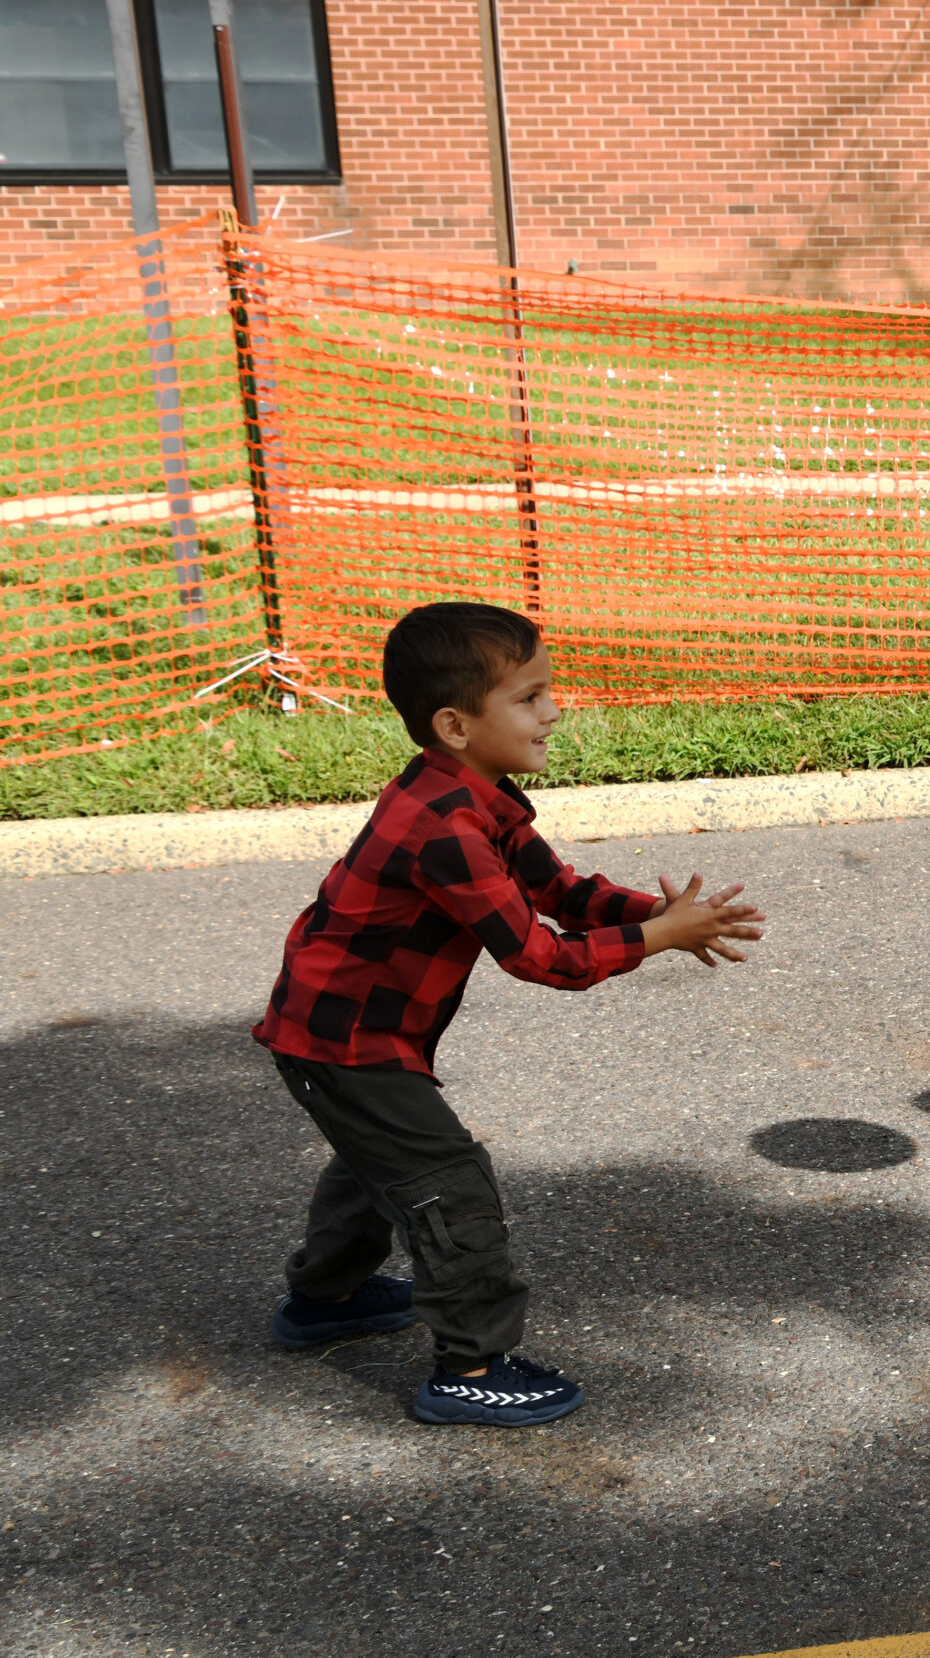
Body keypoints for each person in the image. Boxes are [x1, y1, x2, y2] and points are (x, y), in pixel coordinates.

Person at [253, 602, 765, 1427]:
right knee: (447, 1184)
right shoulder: (445, 827)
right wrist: (659, 937)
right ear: (456, 724)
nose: (553, 710)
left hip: (352, 1032)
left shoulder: (475, 796)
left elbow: (561, 892)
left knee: (379, 1164)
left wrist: (663, 915)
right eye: (530, 697)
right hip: (343, 1040)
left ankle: (327, 1298)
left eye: (548, 691)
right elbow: (539, 955)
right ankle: (469, 1365)